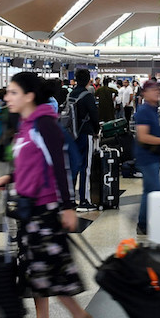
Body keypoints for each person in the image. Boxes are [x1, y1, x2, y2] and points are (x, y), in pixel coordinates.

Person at [0, 73, 99, 318]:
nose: (6, 97)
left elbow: (61, 167)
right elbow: (31, 163)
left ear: (28, 96)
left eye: (12, 92)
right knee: (34, 271)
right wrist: (8, 178)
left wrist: (69, 207)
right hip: (29, 210)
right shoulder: (25, 124)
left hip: (46, 210)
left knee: (52, 272)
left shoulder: (44, 123)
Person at [134, 80, 160, 235]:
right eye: (152, 90)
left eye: (158, 89)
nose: (156, 92)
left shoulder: (153, 109)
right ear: (144, 93)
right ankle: (146, 224)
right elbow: (143, 136)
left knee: (150, 191)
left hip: (153, 156)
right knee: (155, 191)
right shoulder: (144, 110)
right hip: (146, 157)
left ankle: (143, 224)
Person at [66, 69, 101, 212]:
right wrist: (96, 130)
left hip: (71, 135)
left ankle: (71, 199)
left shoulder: (70, 94)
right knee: (85, 168)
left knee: (73, 166)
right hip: (85, 134)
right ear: (88, 80)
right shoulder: (87, 95)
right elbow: (94, 115)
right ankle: (84, 200)